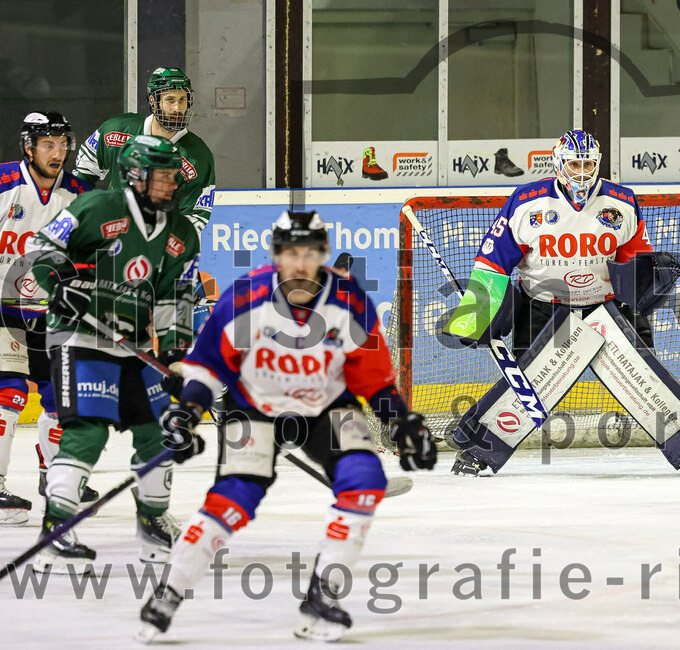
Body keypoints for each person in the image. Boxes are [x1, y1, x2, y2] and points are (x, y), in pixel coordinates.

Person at [137, 210, 436, 643]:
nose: (301, 264)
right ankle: (168, 593)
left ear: (324, 255)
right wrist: (187, 412)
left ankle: (323, 595)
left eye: (311, 252)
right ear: (276, 255)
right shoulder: (246, 298)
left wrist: (403, 421)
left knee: (364, 480)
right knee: (232, 500)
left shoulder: (348, 299)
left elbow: (373, 379)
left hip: (326, 406)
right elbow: (206, 368)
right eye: (291, 253)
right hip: (254, 408)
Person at [444, 129, 680, 476]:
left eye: (588, 164)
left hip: (605, 306)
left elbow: (635, 260)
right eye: (574, 163)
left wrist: (644, 287)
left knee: (643, 378)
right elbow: (494, 261)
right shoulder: (528, 201)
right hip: (544, 305)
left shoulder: (621, 201)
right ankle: (478, 451)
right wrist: (474, 313)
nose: (581, 172)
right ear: (559, 164)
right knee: (529, 385)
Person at [27, 135, 201, 571]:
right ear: (134, 176)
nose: (170, 185)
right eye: (160, 177)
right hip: (78, 334)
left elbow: (174, 298)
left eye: (173, 177)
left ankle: (152, 522)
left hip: (134, 343)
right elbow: (41, 252)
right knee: (89, 429)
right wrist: (60, 287)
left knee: (158, 432)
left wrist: (176, 355)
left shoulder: (181, 232)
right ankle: (57, 526)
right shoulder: (96, 208)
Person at [0, 112, 92, 524]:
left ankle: (55, 478)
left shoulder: (77, 192)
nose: (58, 152)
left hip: (48, 312)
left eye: (62, 144)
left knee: (59, 397)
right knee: (11, 393)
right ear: (29, 147)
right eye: (48, 144)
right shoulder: (4, 184)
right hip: (2, 309)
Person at [74, 67, 216, 233]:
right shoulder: (116, 131)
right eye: (170, 100)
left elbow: (195, 216)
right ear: (153, 101)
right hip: (111, 234)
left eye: (182, 100)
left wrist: (163, 245)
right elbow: (84, 172)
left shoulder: (198, 157)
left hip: (157, 244)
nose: (177, 108)